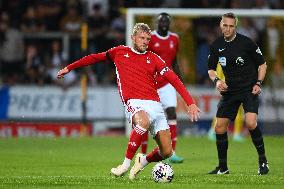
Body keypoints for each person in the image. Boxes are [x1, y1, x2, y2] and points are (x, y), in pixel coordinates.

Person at [57, 23, 201, 180]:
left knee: (167, 151)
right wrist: (69, 68)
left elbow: (173, 78)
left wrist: (190, 102)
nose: (145, 41)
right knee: (143, 122)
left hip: (155, 106)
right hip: (134, 102)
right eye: (142, 38)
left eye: (148, 39)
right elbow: (94, 58)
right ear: (133, 38)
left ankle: (143, 160)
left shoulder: (154, 58)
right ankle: (124, 165)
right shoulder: (119, 52)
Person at [207, 13, 269, 175]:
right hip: (230, 91)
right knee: (219, 128)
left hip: (249, 89)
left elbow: (262, 65)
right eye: (225, 25)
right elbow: (211, 70)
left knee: (250, 123)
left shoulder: (246, 43)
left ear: (236, 27)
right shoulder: (216, 45)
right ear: (221, 25)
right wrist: (218, 81)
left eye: (231, 26)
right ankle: (223, 167)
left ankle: (263, 161)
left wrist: (258, 83)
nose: (227, 29)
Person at [140, 12, 184, 163]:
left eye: (166, 20)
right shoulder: (150, 37)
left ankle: (172, 152)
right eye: (161, 20)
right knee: (145, 118)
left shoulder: (175, 38)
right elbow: (142, 58)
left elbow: (175, 60)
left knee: (171, 113)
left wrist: (179, 81)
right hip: (151, 82)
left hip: (167, 82)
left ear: (169, 23)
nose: (164, 23)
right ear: (156, 22)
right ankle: (142, 153)